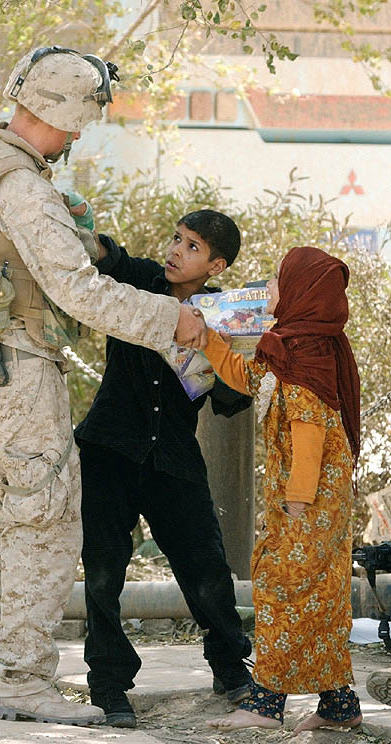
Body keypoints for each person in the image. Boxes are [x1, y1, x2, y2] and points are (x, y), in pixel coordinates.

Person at [0, 46, 207, 726]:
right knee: (48, 523)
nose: (79, 136)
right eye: (81, 121)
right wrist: (171, 319)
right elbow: (78, 291)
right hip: (20, 371)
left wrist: (74, 228)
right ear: (62, 111)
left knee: (10, 522)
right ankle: (22, 679)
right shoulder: (23, 187)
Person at [75, 210, 254, 728]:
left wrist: (224, 351)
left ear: (216, 265)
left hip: (173, 457)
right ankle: (109, 686)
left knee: (207, 569)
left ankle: (230, 665)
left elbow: (232, 400)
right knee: (103, 573)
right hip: (109, 450)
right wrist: (81, 227)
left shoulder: (223, 315)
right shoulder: (141, 280)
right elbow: (109, 257)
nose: (176, 250)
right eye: (177, 238)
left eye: (192, 246)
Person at [201, 246, 363, 735]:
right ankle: (339, 705)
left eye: (277, 279)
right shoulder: (288, 346)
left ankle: (266, 704)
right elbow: (248, 378)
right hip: (306, 504)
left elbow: (309, 432)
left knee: (282, 590)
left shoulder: (307, 355)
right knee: (319, 595)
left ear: (301, 292)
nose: (270, 287)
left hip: (308, 504)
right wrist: (208, 340)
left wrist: (297, 499)